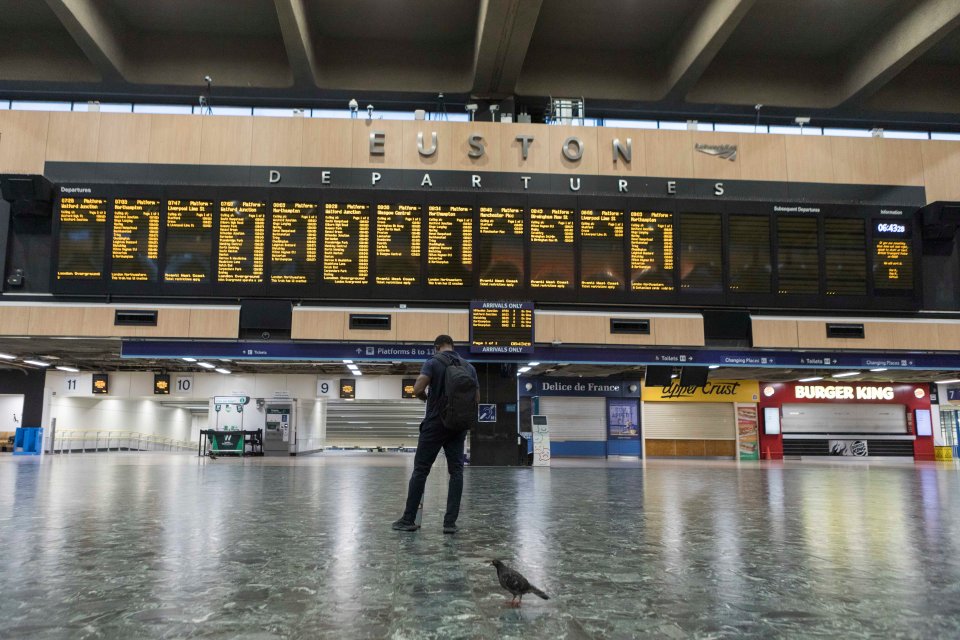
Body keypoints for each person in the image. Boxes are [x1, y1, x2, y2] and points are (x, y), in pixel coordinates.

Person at [392, 334, 479, 534]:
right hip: (458, 425)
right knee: (456, 472)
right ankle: (449, 523)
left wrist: (427, 399)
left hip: (435, 423)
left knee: (421, 471)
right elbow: (476, 398)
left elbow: (417, 389)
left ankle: (408, 519)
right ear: (452, 346)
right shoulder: (469, 367)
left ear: (436, 347)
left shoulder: (433, 362)